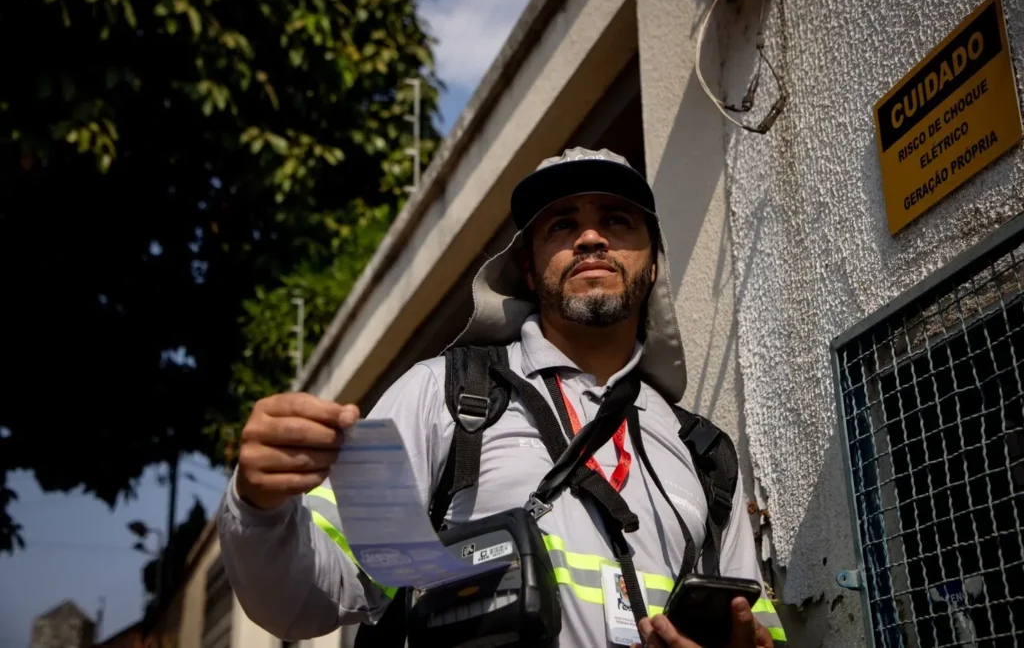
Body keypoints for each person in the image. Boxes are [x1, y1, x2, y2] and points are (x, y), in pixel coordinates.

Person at [217, 147, 788, 648]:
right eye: (561, 226)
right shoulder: (441, 394)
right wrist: (259, 509)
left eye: (616, 220)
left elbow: (756, 627)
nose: (590, 238)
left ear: (654, 260)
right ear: (528, 266)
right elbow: (309, 600)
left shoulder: (705, 454)